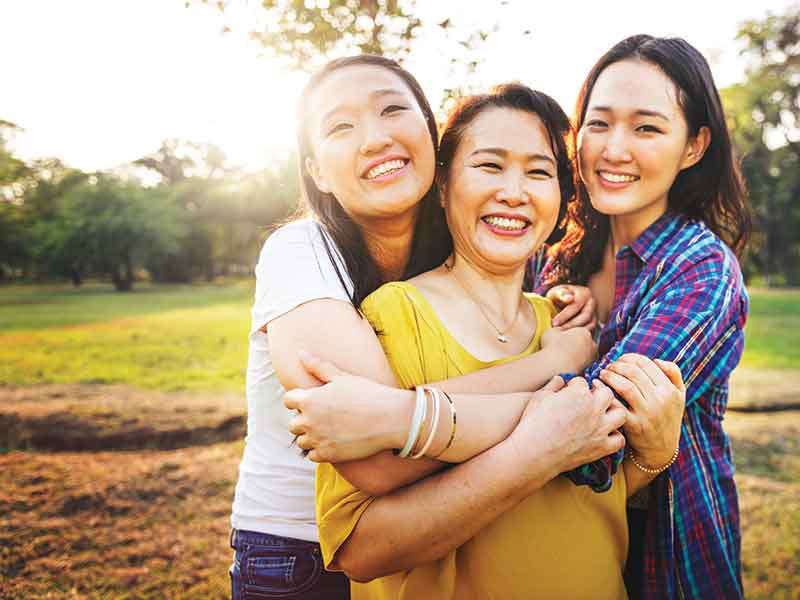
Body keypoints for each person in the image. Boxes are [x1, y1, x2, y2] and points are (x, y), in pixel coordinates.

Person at [229, 55, 607, 600]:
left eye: (392, 109)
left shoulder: (457, 252)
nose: (373, 138)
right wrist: (559, 378)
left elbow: (393, 423)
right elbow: (379, 456)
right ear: (317, 171)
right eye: (341, 126)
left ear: (432, 137)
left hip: (430, 531)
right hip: (298, 555)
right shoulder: (302, 252)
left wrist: (562, 301)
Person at [288, 83, 686, 599]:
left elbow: (585, 494)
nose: (515, 192)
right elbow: (360, 549)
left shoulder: (570, 325)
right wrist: (538, 446)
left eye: (539, 172)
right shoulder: (391, 316)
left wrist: (653, 455)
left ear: (563, 200)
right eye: (490, 166)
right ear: (443, 185)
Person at [536, 35, 751, 599]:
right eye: (599, 123)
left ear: (694, 146)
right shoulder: (552, 256)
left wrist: (415, 418)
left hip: (664, 563)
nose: (613, 149)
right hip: (547, 560)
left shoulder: (702, 270)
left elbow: (591, 433)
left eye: (647, 128)